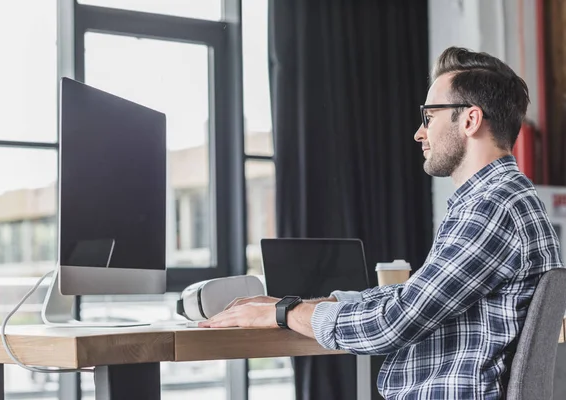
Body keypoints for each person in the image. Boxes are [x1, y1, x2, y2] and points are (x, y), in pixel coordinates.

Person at [198, 46, 564, 399]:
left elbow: (392, 324)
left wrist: (284, 313)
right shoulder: (504, 200)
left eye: (429, 116)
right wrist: (298, 304)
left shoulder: (492, 208)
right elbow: (409, 297)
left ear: (469, 119)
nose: (419, 133)